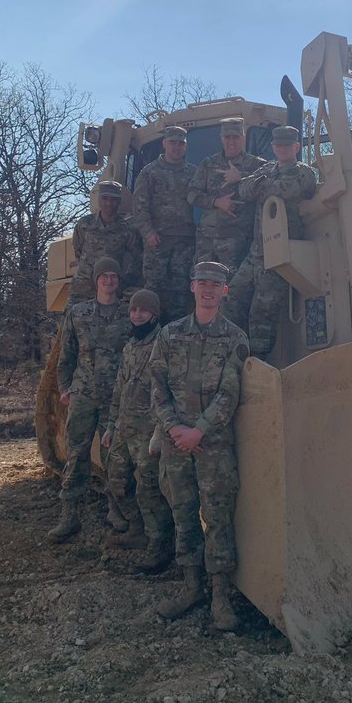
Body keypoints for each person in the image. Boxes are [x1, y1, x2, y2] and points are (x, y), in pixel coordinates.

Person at [149, 260, 249, 631]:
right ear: (192, 287)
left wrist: (199, 431)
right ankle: (191, 587)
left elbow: (229, 394)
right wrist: (174, 428)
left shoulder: (235, 338)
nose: (208, 289)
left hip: (213, 445)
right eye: (202, 282)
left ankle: (221, 596)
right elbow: (156, 385)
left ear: (225, 291)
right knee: (182, 513)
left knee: (218, 517)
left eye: (215, 284)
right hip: (176, 441)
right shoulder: (170, 335)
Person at [47, 256, 132, 543]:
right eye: (104, 276)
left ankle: (116, 510)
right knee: (76, 454)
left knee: (115, 457)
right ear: (96, 280)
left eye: (113, 276)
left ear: (118, 281)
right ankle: (69, 514)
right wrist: (64, 387)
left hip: (115, 398)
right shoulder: (79, 314)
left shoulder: (128, 314)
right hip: (83, 395)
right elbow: (66, 355)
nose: (109, 281)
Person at [221, 124, 317, 358]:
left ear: (296, 147)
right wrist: (256, 184)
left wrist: (257, 185)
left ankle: (258, 365)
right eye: (278, 145)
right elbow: (244, 190)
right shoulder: (267, 168)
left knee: (261, 315)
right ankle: (230, 354)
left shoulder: (304, 172)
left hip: (279, 253)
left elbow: (286, 190)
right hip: (256, 252)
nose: (282, 149)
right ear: (273, 147)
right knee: (229, 300)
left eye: (287, 145)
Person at [102, 289, 174, 572]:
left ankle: (159, 545)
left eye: (143, 311)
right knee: (116, 482)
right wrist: (110, 425)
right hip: (124, 428)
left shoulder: (164, 343)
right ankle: (137, 529)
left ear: (153, 314)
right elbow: (119, 389)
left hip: (149, 431)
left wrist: (161, 430)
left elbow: (170, 389)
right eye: (134, 310)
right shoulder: (130, 346)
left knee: (150, 491)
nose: (137, 315)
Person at [130, 126, 196, 324]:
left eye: (180, 143)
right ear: (164, 143)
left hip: (184, 243)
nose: (176, 147)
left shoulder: (193, 173)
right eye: (173, 143)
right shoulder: (150, 172)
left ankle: (175, 336)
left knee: (180, 291)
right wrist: (148, 233)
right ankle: (151, 334)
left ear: (185, 146)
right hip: (157, 242)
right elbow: (139, 207)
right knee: (153, 292)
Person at [188, 117, 266, 274]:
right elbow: (192, 194)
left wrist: (241, 177)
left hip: (237, 241)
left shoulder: (257, 165)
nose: (232, 141)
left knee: (231, 287)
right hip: (207, 240)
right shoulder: (208, 164)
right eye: (227, 137)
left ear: (243, 138)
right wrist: (216, 202)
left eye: (236, 137)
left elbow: (268, 185)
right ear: (222, 138)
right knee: (203, 283)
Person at [70, 180, 142, 304]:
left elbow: (138, 258)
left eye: (113, 199)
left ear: (119, 201)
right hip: (83, 289)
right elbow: (78, 250)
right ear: (99, 199)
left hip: (111, 290)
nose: (108, 203)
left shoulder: (127, 229)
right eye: (105, 198)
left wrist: (124, 281)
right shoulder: (84, 224)